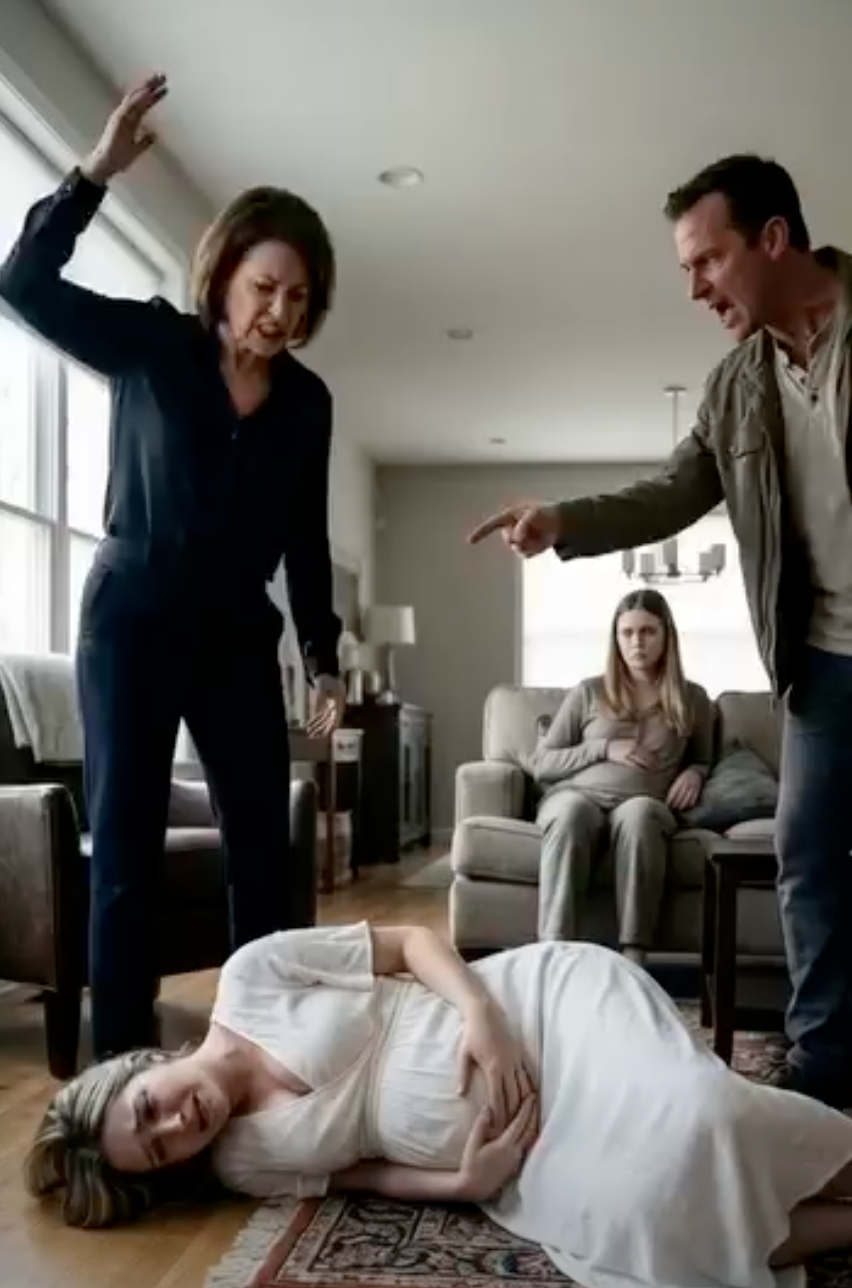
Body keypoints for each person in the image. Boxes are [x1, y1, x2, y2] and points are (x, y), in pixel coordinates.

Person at [469, 153, 852, 1108]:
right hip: (823, 661)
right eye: (687, 269)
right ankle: (824, 1073)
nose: (694, 289)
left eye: (707, 261)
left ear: (773, 239)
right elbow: (673, 491)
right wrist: (564, 521)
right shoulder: (735, 387)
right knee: (806, 861)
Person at [0, 74, 347, 1060]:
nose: (278, 310)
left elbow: (307, 539)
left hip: (237, 634)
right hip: (133, 622)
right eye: (264, 286)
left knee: (263, 849)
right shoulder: (153, 342)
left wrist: (323, 657)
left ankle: (259, 1054)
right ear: (224, 273)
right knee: (124, 854)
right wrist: (95, 172)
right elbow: (21, 285)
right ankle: (121, 1073)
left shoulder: (307, 403)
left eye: (297, 296)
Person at [24, 920, 852, 1288]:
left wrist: (482, 1016)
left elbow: (408, 942)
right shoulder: (242, 1164)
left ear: (144, 1065)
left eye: (149, 1109)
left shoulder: (252, 976)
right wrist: (465, 1183)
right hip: (524, 1150)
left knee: (701, 1120)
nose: (178, 1126)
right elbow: (362, 1178)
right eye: (162, 1149)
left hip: (533, 1017)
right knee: (646, 1224)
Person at [529, 588, 711, 961]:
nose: (636, 642)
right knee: (571, 813)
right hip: (578, 796)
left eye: (647, 631)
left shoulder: (692, 698)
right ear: (616, 639)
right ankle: (553, 952)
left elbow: (706, 757)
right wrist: (604, 748)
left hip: (644, 802)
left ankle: (634, 956)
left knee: (641, 815)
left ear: (666, 636)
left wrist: (696, 771)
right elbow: (542, 763)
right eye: (627, 633)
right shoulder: (588, 692)